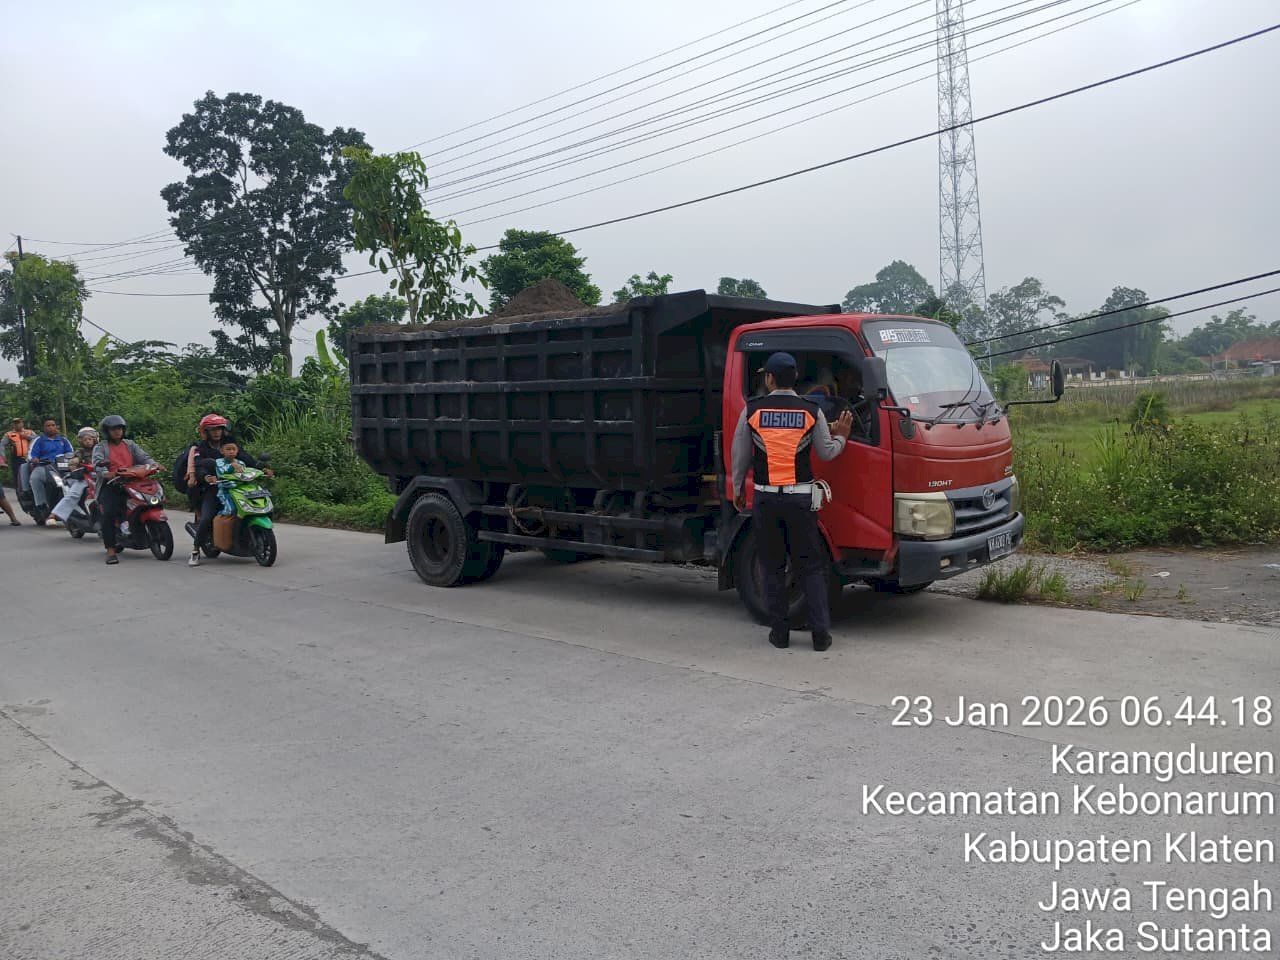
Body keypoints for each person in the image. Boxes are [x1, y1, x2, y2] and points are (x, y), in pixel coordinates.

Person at [731, 352, 853, 651]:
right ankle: (820, 636)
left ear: (769, 379)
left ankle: (780, 635)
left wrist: (737, 489)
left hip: (765, 499)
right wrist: (843, 437)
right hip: (800, 500)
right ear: (795, 378)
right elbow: (826, 452)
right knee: (810, 567)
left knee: (772, 567)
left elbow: (740, 455)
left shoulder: (752, 410)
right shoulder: (811, 410)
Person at [186, 414, 269, 567]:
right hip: (214, 489)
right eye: (212, 429)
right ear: (206, 432)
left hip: (237, 486)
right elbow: (199, 466)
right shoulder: (202, 448)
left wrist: (261, 468)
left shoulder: (230, 443)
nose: (216, 432)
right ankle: (195, 550)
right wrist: (207, 477)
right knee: (206, 517)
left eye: (219, 428)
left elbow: (246, 458)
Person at [91, 415, 155, 565]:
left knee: (148, 501)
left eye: (119, 428)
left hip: (133, 481)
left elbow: (144, 457)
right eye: (113, 429)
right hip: (112, 484)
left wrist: (154, 464)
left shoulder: (130, 444)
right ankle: (111, 550)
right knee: (109, 513)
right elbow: (97, 465)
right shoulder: (101, 447)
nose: (117, 432)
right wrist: (106, 473)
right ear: (107, 431)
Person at [26, 418, 74, 523]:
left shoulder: (63, 440)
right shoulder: (39, 440)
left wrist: (72, 460)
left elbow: (71, 453)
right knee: (35, 478)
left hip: (62, 467)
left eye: (53, 425)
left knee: (74, 480)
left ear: (57, 427)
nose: (51, 427)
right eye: (48, 426)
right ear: (44, 428)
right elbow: (31, 455)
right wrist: (34, 459)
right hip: (44, 466)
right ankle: (41, 505)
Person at [50, 427, 99, 524]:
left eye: (90, 439)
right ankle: (54, 515)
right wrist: (75, 465)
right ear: (81, 441)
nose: (88, 442)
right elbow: (73, 462)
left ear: (95, 439)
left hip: (101, 477)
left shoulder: (100, 450)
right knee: (74, 494)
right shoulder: (80, 452)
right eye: (85, 440)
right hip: (85, 477)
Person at [3, 417, 37, 497]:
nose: (17, 425)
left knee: (31, 474)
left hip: (29, 458)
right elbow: (2, 445)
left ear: (22, 423)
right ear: (13, 425)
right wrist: (3, 458)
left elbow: (37, 440)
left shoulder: (29, 432)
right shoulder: (9, 434)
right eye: (15, 423)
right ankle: (20, 494)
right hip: (16, 459)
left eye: (18, 423)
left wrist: (27, 437)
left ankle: (31, 491)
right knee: (17, 476)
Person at [213, 439, 247, 516]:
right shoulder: (219, 462)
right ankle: (220, 523)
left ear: (237, 450)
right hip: (226, 491)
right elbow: (222, 471)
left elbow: (246, 474)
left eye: (233, 449)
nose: (231, 451)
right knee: (231, 510)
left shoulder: (241, 463)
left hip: (241, 491)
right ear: (222, 451)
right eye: (228, 449)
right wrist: (232, 466)